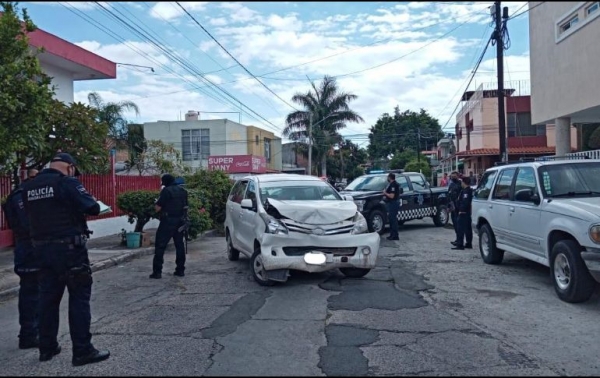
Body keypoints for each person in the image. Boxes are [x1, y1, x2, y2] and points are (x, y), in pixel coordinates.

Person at [21, 153, 110, 366]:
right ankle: (82, 351)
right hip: (70, 250)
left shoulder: (29, 187)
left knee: (47, 300)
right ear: (70, 167)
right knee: (79, 298)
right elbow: (93, 207)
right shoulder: (67, 183)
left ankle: (47, 348)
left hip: (41, 250)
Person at [1, 177, 40, 350]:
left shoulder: (14, 196)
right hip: (30, 248)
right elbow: (27, 224)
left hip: (23, 248)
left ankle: (30, 332)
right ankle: (29, 333)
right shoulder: (22, 197)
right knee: (32, 292)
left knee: (30, 291)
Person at [150, 174, 189, 279]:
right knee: (179, 245)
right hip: (180, 221)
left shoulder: (166, 191)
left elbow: (158, 208)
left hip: (167, 222)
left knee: (160, 246)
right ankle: (180, 270)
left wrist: (155, 206)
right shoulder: (183, 191)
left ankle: (157, 272)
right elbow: (186, 207)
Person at [451, 177, 473, 250]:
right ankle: (468, 243)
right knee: (467, 228)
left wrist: (461, 210)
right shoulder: (468, 190)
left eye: (462, 182)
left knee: (460, 229)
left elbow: (465, 202)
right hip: (467, 212)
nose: (461, 184)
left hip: (463, 212)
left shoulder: (466, 191)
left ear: (464, 182)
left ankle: (460, 244)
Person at [382, 172, 401, 241]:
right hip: (392, 203)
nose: (387, 178)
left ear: (390, 177)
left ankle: (395, 235)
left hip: (393, 203)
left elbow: (392, 196)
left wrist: (385, 193)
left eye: (388, 177)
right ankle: (392, 235)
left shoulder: (393, 185)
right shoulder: (392, 184)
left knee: (393, 220)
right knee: (392, 219)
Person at [448, 172, 462, 245]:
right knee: (455, 224)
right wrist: (448, 206)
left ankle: (460, 240)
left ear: (457, 176)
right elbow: (449, 195)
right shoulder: (451, 184)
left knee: (459, 225)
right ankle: (457, 239)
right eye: (452, 176)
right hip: (452, 207)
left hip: (458, 207)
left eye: (454, 176)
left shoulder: (460, 184)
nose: (453, 177)